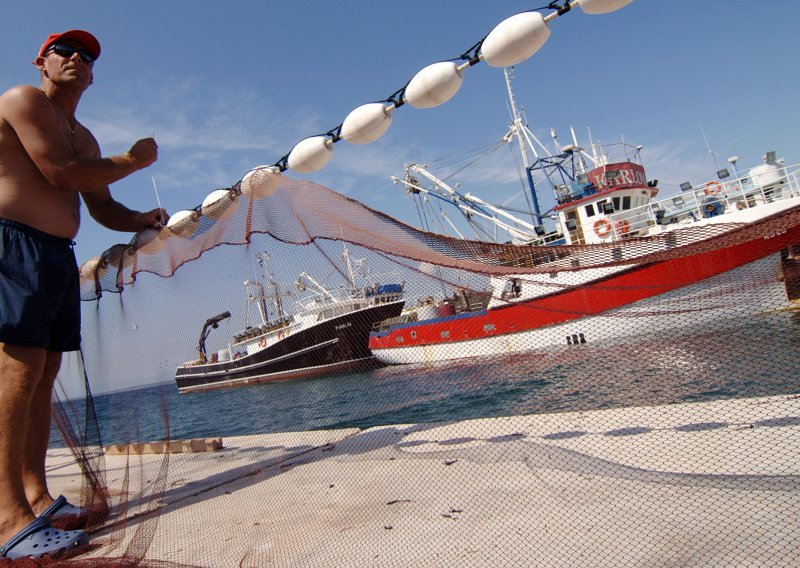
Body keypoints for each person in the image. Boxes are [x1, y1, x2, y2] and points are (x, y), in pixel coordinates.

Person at [0, 30, 167, 560]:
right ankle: (7, 520)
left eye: (87, 55)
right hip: (13, 244)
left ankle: (35, 497)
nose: (76, 58)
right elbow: (59, 172)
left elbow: (99, 207)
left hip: (56, 255)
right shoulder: (24, 100)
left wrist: (139, 218)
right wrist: (136, 160)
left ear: (93, 73)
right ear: (41, 63)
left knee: (44, 373)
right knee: (17, 370)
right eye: (64, 51)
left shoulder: (87, 137)